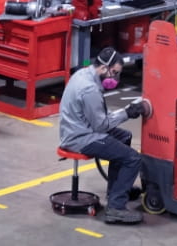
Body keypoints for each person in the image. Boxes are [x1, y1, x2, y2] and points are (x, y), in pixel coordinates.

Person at [59, 47, 147, 224]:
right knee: (133, 159)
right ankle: (115, 209)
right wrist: (127, 113)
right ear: (104, 67)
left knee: (124, 137)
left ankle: (116, 192)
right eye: (114, 73)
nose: (115, 78)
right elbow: (101, 125)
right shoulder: (89, 89)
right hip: (80, 138)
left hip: (82, 128)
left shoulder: (84, 74)